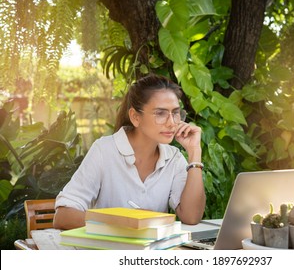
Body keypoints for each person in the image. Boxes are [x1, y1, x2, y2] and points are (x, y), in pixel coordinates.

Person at [53, 74, 206, 230]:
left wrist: (194, 152)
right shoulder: (104, 150)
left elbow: (191, 216)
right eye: (160, 113)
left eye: (175, 112)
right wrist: (127, 220)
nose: (172, 123)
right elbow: (63, 216)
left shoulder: (174, 157)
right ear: (135, 117)